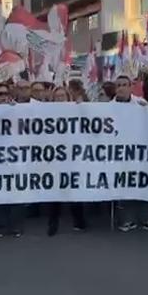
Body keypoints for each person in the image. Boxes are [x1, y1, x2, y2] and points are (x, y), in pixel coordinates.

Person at [112, 75, 148, 232]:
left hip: (140, 152)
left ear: (131, 87)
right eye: (118, 85)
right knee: (124, 186)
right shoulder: (107, 107)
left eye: (124, 85)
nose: (121, 88)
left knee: (145, 184)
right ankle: (126, 220)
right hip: (118, 153)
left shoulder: (141, 103)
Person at [46, 86, 87, 236]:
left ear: (68, 97)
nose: (60, 99)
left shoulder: (76, 109)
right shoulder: (46, 112)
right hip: (53, 158)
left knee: (74, 191)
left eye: (62, 96)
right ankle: (53, 222)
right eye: (57, 96)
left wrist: (82, 108)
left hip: (73, 158)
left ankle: (79, 221)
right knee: (54, 192)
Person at [0, 82, 25, 238]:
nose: (3, 97)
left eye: (6, 93)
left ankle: (16, 225)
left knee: (16, 193)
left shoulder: (17, 110)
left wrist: (16, 111)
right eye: (0, 94)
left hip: (16, 159)